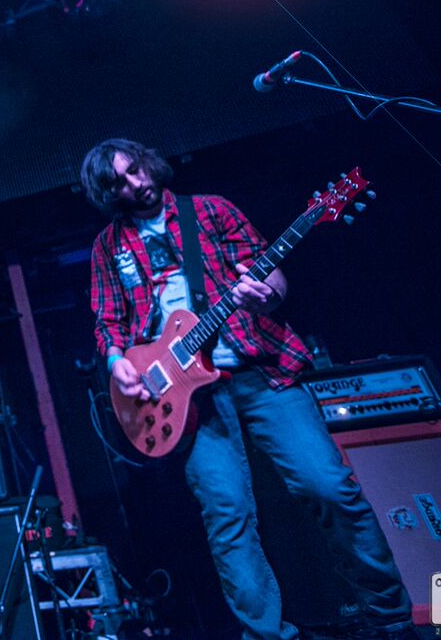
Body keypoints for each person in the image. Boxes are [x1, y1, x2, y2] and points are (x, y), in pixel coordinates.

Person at [81, 138, 414, 640]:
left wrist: (266, 295)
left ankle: (390, 619)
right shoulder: (108, 247)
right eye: (120, 182)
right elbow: (108, 321)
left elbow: (268, 274)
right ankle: (266, 635)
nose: (136, 183)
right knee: (227, 515)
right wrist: (117, 363)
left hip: (261, 371)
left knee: (328, 486)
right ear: (108, 193)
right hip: (188, 400)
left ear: (148, 163)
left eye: (136, 170)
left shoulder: (209, 210)